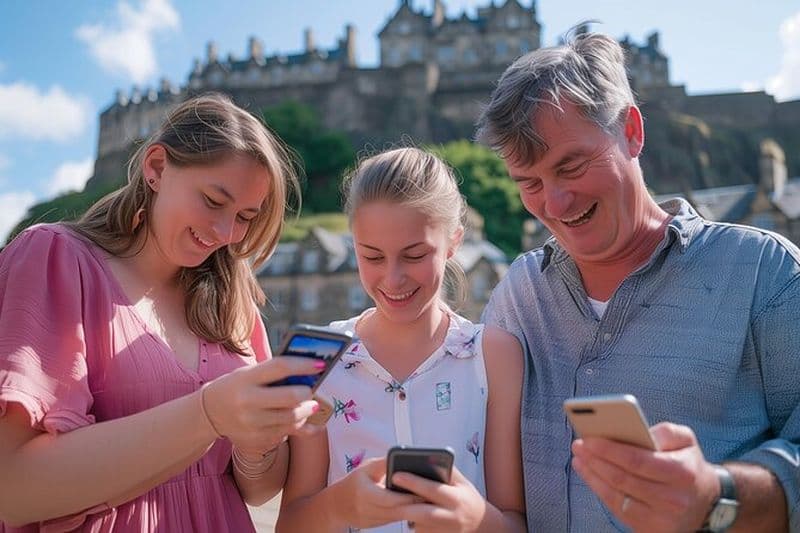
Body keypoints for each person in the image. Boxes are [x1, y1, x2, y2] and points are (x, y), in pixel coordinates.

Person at [475, 30, 800, 532]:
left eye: (571, 166)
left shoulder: (765, 272)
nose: (554, 204)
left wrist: (718, 495)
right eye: (530, 183)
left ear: (631, 131)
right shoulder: (517, 294)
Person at [0, 93, 325, 532]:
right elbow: (14, 490)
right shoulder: (54, 258)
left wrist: (258, 442)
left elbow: (257, 490)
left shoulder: (233, 296)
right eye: (213, 201)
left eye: (246, 216)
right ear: (155, 168)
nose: (225, 232)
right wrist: (208, 414)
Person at [276, 147, 526, 532]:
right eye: (372, 257)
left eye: (414, 255)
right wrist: (338, 506)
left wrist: (474, 519)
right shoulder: (320, 358)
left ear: (454, 242)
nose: (393, 280)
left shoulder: (494, 355)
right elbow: (291, 525)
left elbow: (514, 523)